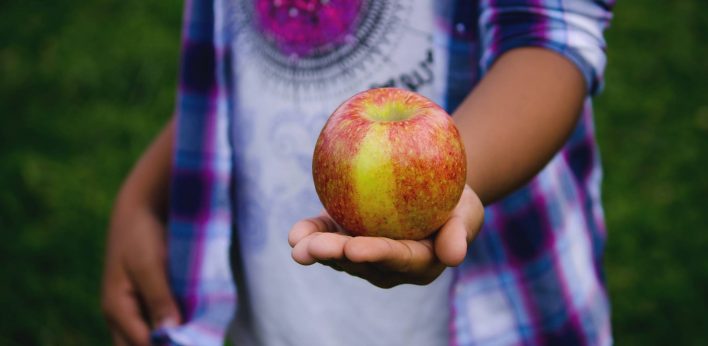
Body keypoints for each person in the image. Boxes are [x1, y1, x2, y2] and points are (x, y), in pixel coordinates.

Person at [101, 0, 615, 345]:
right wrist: (145, 192)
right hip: (285, 296)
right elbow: (237, 59)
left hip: (486, 303)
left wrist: (453, 182)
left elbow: (551, 36)